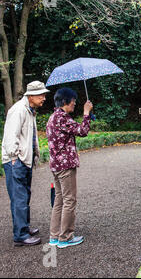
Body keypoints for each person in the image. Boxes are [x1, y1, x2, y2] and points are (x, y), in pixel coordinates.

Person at [2, 80, 50, 246]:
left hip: (24, 160)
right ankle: (21, 236)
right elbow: (10, 137)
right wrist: (15, 158)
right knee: (19, 197)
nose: (44, 98)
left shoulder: (30, 110)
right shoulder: (18, 110)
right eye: (42, 94)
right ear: (31, 96)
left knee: (24, 195)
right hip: (16, 161)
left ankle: (24, 226)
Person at [46, 87, 93, 248]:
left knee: (59, 200)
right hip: (65, 166)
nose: (75, 104)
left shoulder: (53, 117)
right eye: (73, 101)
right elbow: (83, 131)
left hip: (56, 166)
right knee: (69, 200)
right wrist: (86, 113)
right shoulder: (62, 118)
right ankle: (65, 237)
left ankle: (54, 236)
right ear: (65, 101)